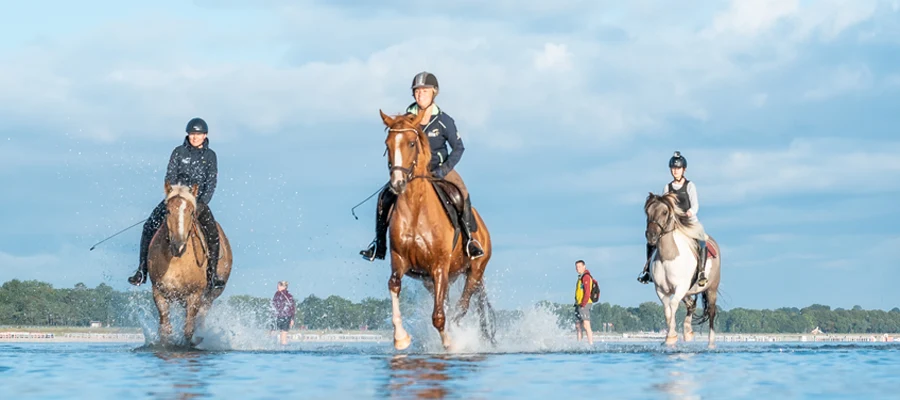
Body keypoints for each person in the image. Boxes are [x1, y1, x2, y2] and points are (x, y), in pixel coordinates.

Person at [359, 71, 484, 261]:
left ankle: (469, 241)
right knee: (384, 197)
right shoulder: (406, 120)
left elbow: (458, 148)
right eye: (416, 91)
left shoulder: (444, 121)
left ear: (434, 93)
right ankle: (379, 245)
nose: (420, 95)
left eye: (424, 91)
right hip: (412, 173)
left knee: (461, 193)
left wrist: (444, 169)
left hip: (439, 169)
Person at [127, 117, 226, 290]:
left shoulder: (210, 156)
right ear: (188, 135)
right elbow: (170, 176)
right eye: (192, 134)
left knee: (212, 232)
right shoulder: (178, 152)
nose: (195, 137)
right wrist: (173, 197)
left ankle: (212, 275)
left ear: (205, 135)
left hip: (197, 202)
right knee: (148, 226)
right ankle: (142, 270)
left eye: (198, 134)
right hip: (175, 198)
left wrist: (201, 203)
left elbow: (211, 183)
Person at [637, 151, 709, 287]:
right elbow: (665, 208)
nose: (675, 171)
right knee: (652, 240)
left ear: (684, 169)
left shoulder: (690, 186)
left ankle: (701, 272)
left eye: (678, 168)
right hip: (674, 222)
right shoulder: (667, 187)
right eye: (673, 168)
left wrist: (689, 212)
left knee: (702, 239)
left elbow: (695, 205)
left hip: (689, 221)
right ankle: (647, 270)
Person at [574, 260, 594, 345]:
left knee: (586, 325)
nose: (577, 268)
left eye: (579, 266)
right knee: (578, 326)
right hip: (578, 304)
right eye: (576, 267)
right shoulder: (580, 277)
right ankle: (579, 344)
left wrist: (583, 303)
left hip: (584, 304)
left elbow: (587, 292)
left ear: (584, 266)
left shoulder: (586, 277)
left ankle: (591, 344)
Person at [272, 281, 295, 345]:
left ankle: (276, 347)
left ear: (284, 287)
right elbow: (292, 307)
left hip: (282, 316)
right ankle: (282, 349)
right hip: (283, 316)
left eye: (279, 285)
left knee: (277, 333)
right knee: (281, 334)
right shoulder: (287, 295)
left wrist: (292, 319)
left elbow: (292, 307)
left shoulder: (281, 294)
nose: (277, 287)